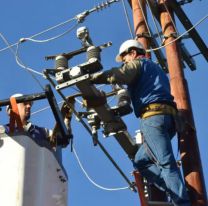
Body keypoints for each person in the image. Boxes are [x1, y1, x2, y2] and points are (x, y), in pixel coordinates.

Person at [91, 39, 190, 205]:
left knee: (165, 163)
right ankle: (175, 189)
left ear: (133, 53)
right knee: (141, 161)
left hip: (152, 118)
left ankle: (182, 202)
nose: (125, 62)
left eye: (125, 59)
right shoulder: (155, 69)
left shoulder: (138, 64)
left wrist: (93, 78)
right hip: (168, 120)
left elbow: (121, 75)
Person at [4, 93, 63, 161]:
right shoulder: (3, 131)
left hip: (36, 168)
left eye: (30, 104)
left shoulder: (43, 132)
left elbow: (61, 139)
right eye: (25, 103)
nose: (29, 106)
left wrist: (66, 119)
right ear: (12, 108)